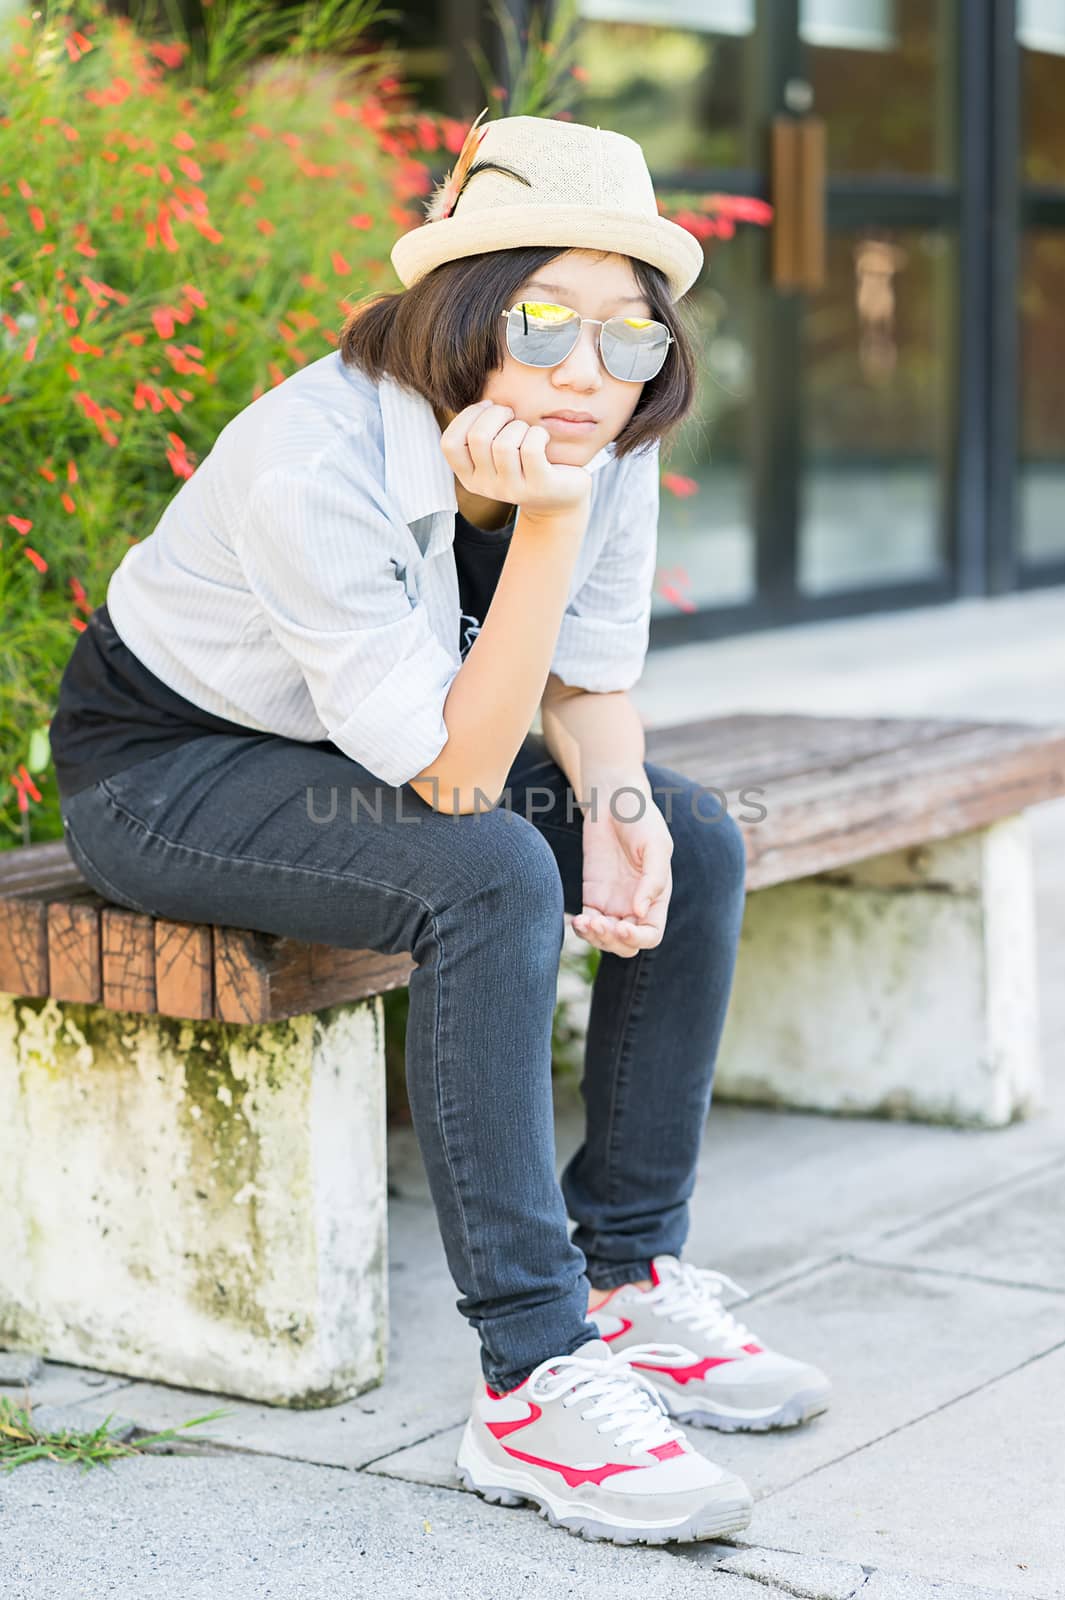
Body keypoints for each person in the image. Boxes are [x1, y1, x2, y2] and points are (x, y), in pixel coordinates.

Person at [49, 109, 830, 1547]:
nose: (589, 372)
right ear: (461, 313)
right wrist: (539, 526)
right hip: (165, 773)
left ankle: (625, 1277)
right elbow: (462, 791)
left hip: (380, 749)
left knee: (696, 832)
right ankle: (532, 1376)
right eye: (545, 326)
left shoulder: (607, 419)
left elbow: (590, 682)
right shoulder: (314, 454)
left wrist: (616, 802)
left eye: (628, 334)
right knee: (483, 875)